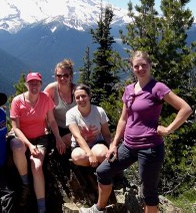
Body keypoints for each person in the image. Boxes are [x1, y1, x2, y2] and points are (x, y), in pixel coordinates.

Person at [80, 51, 192, 213]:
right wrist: (113, 144)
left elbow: (185, 109)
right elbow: (123, 119)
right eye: (136, 66)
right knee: (103, 171)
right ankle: (99, 208)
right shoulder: (129, 90)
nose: (140, 68)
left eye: (143, 65)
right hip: (128, 145)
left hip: (150, 148)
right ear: (132, 68)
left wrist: (168, 129)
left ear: (150, 65)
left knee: (148, 193)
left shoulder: (157, 88)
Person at [9, 72, 66, 213]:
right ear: (26, 84)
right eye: (31, 83)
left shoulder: (45, 98)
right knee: (17, 147)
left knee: (37, 166)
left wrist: (58, 138)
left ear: (41, 84)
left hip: (40, 138)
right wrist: (28, 145)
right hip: (21, 138)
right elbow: (15, 128)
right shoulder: (17, 101)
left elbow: (52, 120)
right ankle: (25, 182)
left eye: (37, 83)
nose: (34, 86)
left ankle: (42, 208)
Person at [66, 84, 111, 168]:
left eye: (83, 96)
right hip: (79, 146)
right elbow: (77, 136)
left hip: (97, 143)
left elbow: (106, 134)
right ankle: (93, 167)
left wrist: (112, 147)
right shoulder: (71, 114)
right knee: (78, 157)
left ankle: (99, 169)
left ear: (89, 96)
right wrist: (90, 154)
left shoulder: (99, 111)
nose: (81, 99)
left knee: (102, 154)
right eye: (77, 97)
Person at [44, 59, 76, 147]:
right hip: (57, 129)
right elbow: (42, 107)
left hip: (75, 128)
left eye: (66, 75)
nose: (62, 78)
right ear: (55, 76)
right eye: (59, 75)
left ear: (71, 76)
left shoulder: (77, 91)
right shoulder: (51, 89)